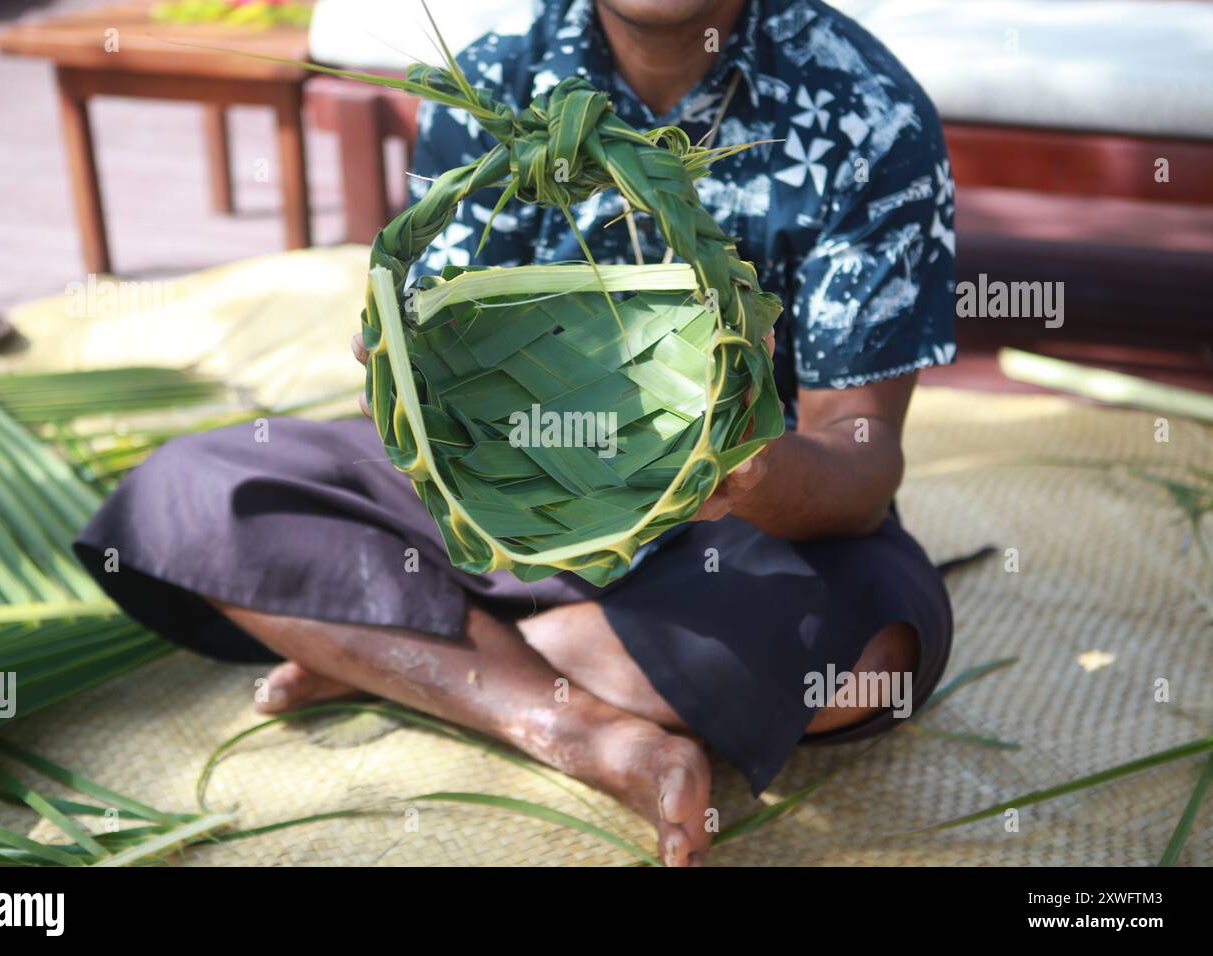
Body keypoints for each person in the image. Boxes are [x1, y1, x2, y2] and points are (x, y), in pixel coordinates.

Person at [76, 0, 958, 867]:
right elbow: (446, 372)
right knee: (193, 490)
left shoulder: (867, 113)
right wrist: (405, 381)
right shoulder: (494, 77)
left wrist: (750, 467)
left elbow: (862, 451)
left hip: (722, 527)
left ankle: (400, 647)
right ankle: (577, 725)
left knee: (871, 660)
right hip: (496, 488)